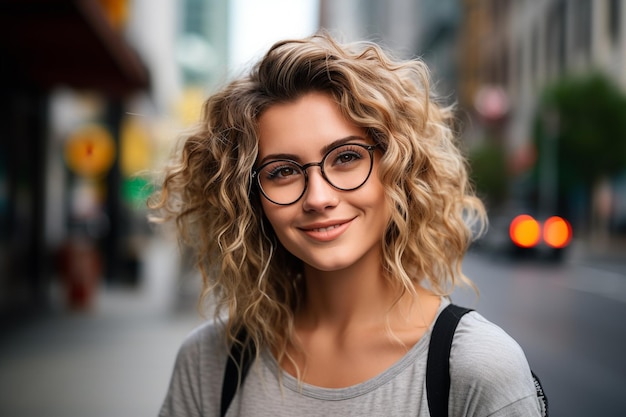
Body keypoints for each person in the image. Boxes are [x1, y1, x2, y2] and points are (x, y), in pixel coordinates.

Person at [150, 32, 543, 416]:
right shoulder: (210, 363)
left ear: (397, 168)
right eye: (283, 171)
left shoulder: (477, 369)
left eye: (346, 157)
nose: (318, 197)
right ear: (251, 200)